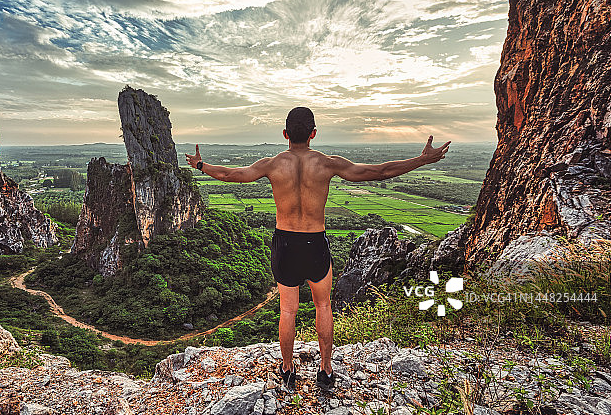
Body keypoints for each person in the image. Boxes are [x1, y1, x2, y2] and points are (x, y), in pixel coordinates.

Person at [184, 106, 450, 392]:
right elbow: (379, 171)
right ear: (313, 134)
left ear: (285, 134)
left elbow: (230, 175)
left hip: (285, 243)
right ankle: (325, 369)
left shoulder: (271, 164)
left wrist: (201, 165)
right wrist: (422, 160)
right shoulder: (327, 163)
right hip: (315, 243)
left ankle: (287, 369)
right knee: (323, 305)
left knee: (288, 310)